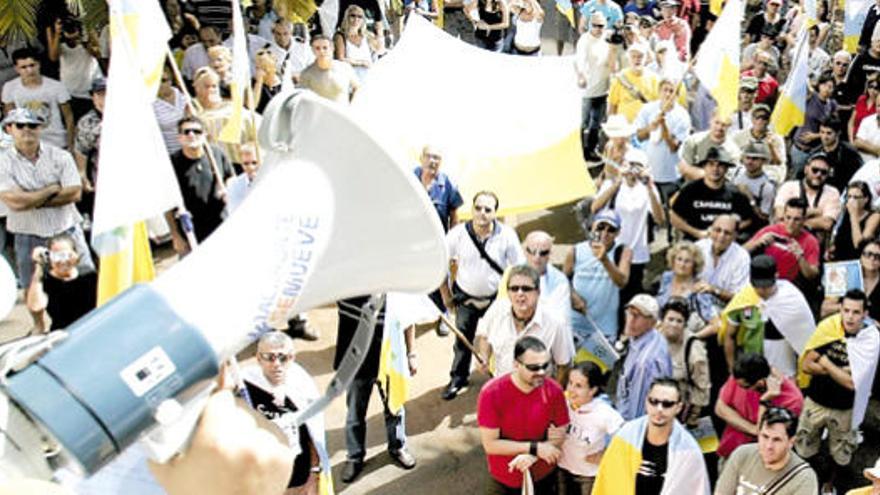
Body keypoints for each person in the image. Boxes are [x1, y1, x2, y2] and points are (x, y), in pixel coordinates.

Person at [440, 191, 524, 400]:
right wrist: (446, 296)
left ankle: (498, 380)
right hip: (465, 298)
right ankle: (458, 378)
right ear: (472, 209)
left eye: (488, 209)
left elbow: (519, 268)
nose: (482, 213)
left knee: (498, 340)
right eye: (478, 208)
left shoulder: (507, 236)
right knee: (462, 341)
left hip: (496, 300)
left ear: (495, 213)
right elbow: (440, 263)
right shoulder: (457, 234)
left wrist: (513, 299)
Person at [0, 108, 94, 292]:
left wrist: (30, 199)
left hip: (67, 229)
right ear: (9, 129)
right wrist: (51, 189)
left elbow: (74, 193)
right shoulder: (2, 163)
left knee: (86, 280)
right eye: (20, 125)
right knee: (34, 289)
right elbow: (15, 202)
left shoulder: (60, 156)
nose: (27, 129)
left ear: (40, 128)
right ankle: (39, 323)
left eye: (33, 125)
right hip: (27, 234)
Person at [797, 289, 880, 494]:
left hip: (845, 408)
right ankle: (806, 481)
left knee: (841, 454)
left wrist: (825, 362)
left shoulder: (870, 339)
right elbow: (807, 365)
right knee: (805, 445)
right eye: (846, 310)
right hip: (816, 401)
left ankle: (830, 485)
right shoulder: (829, 328)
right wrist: (839, 370)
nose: (849, 317)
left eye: (855, 312)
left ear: (865, 314)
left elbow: (853, 383)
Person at [335, 295, 418, 483]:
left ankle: (398, 446)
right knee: (355, 413)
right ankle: (354, 457)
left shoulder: (395, 290)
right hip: (356, 363)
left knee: (395, 407)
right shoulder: (346, 288)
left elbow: (408, 320)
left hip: (389, 360)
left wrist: (411, 353)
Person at [477, 336, 569, 494]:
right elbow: (491, 444)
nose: (541, 372)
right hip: (504, 478)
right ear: (516, 365)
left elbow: (560, 433)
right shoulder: (491, 393)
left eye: (545, 366)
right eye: (533, 367)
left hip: (543, 476)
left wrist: (533, 456)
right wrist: (535, 449)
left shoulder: (554, 390)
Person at [240, 331, 328, 494]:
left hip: (297, 473)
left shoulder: (302, 387)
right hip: (262, 473)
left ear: (292, 357)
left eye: (283, 357)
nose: (277, 364)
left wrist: (313, 472)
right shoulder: (244, 385)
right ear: (258, 358)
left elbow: (313, 434)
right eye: (270, 357)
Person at [593, 378, 711, 494]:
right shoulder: (625, 437)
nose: (659, 409)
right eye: (653, 401)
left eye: (667, 404)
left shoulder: (689, 451)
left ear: (678, 407)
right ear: (646, 401)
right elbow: (606, 484)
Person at [590, 148, 665, 306]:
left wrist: (650, 187)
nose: (633, 170)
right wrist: (617, 182)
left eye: (638, 166)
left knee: (630, 295)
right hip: (610, 249)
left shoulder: (647, 188)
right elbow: (595, 207)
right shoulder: (612, 184)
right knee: (607, 292)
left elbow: (659, 219)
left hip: (637, 251)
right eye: (630, 165)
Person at [719, 255, 815, 377]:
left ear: (776, 276)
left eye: (766, 286)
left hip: (785, 369)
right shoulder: (743, 300)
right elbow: (729, 336)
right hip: (753, 369)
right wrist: (732, 370)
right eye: (757, 286)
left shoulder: (791, 298)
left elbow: (805, 336)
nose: (762, 290)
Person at [475, 264, 574, 377]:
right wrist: (484, 356)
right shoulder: (496, 310)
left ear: (538, 292)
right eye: (514, 288)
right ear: (508, 292)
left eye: (526, 289)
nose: (520, 293)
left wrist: (552, 393)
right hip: (502, 388)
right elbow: (485, 336)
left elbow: (564, 365)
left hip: (537, 390)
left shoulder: (556, 322)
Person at [164, 116, 236, 255]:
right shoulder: (172, 164)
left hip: (222, 225)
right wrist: (176, 236)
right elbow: (167, 204)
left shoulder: (217, 154)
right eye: (186, 132)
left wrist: (228, 191)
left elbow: (231, 179)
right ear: (179, 137)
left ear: (204, 135)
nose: (191, 135)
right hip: (191, 233)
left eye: (196, 131)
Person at [714, 353, 804, 462]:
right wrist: (752, 429)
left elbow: (766, 433)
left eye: (745, 387)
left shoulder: (792, 400)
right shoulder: (741, 376)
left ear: (760, 382)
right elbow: (720, 408)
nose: (740, 388)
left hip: (761, 460)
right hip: (731, 451)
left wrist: (764, 402)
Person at [715, 406, 818, 494]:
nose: (769, 446)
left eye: (777, 440)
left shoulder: (804, 478)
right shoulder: (742, 454)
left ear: (791, 442)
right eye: (765, 436)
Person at [565, 210, 632, 344]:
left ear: (618, 232)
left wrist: (605, 260)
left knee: (601, 365)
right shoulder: (576, 250)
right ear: (593, 227)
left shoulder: (623, 251)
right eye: (600, 228)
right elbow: (562, 280)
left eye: (611, 230)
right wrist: (573, 296)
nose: (604, 234)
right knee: (572, 364)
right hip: (575, 324)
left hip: (605, 329)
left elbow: (622, 282)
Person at [558, 361, 624, 495]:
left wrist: (606, 455)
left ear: (592, 390)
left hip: (588, 477)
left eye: (579, 386)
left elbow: (628, 437)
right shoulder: (562, 402)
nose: (571, 390)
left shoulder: (604, 412)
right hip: (562, 470)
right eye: (570, 383)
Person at [669, 147, 752, 241]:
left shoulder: (735, 193)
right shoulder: (690, 190)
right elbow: (674, 216)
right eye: (711, 164)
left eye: (720, 165)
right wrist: (697, 233)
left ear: (726, 169)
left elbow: (748, 220)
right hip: (695, 241)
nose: (715, 169)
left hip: (724, 242)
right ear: (704, 167)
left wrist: (726, 231)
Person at [633, 77, 691, 207]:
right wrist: (651, 127)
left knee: (670, 212)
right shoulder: (647, 109)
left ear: (677, 95)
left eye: (672, 91)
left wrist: (663, 126)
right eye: (665, 90)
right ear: (659, 91)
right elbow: (639, 136)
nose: (668, 94)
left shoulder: (682, 116)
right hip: (648, 174)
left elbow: (673, 147)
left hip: (671, 176)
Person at [2, 47, 75, 150]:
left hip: (56, 143)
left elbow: (69, 117)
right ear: (16, 69)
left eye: (32, 65)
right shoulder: (9, 87)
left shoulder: (57, 86)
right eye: (24, 67)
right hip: (27, 144)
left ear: (39, 64)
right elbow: (10, 119)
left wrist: (71, 145)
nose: (29, 70)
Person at [614, 294, 672, 420]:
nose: (631, 320)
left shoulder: (645, 362)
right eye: (629, 313)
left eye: (637, 316)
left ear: (652, 322)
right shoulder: (648, 337)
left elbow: (638, 411)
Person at [25, 233, 97, 333]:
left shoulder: (89, 276)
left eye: (67, 255)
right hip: (62, 334)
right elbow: (36, 307)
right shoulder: (46, 281)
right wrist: (39, 267)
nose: (63, 261)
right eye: (57, 256)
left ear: (75, 255)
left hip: (90, 330)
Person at [574, 12, 618, 162]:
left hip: (603, 88)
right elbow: (579, 60)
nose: (599, 29)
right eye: (595, 26)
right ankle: (577, 152)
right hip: (587, 90)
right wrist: (581, 75)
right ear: (589, 25)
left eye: (602, 26)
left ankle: (590, 149)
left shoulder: (608, 38)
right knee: (582, 122)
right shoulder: (584, 40)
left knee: (596, 123)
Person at [658, 298, 709, 426]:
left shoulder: (694, 349)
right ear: (662, 321)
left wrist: (693, 417)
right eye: (670, 319)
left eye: (679, 321)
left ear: (685, 324)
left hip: (680, 408)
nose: (674, 324)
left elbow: (702, 387)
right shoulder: (652, 339)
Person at [772, 153, 841, 248]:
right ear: (806, 169)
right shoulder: (789, 186)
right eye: (815, 170)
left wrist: (793, 220)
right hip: (785, 242)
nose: (818, 175)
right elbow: (780, 215)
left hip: (815, 246)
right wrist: (816, 212)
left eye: (823, 172)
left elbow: (827, 224)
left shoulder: (832, 192)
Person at [745, 198, 820, 283]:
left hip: (791, 285)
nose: (791, 223)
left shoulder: (811, 241)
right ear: (783, 216)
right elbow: (742, 251)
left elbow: (812, 275)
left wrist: (800, 257)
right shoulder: (770, 230)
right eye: (788, 218)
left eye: (796, 219)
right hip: (765, 280)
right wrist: (758, 242)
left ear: (803, 220)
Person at [45, 18, 103, 122]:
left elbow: (97, 53)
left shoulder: (86, 35)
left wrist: (84, 40)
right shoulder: (60, 41)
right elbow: (53, 56)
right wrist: (57, 34)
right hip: (71, 92)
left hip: (92, 88)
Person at [792, 73, 839, 176]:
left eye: (830, 87)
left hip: (817, 149)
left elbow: (834, 128)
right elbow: (803, 82)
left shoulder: (832, 105)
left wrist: (816, 136)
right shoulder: (811, 97)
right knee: (796, 176)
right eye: (824, 85)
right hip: (800, 147)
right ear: (819, 85)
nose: (827, 89)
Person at [731, 103, 787, 184]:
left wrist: (771, 146)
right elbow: (734, 159)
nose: (760, 120)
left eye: (764, 118)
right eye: (757, 117)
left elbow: (779, 163)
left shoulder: (777, 138)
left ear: (768, 121)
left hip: (768, 171)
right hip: (745, 170)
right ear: (752, 119)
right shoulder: (739, 137)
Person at [677, 111, 740, 182]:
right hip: (692, 188)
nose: (719, 127)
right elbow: (683, 168)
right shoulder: (693, 141)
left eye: (724, 125)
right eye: (717, 122)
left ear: (729, 126)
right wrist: (712, 175)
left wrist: (696, 172)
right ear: (710, 121)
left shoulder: (733, 150)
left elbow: (727, 179)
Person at [414, 145, 463, 232]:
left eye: (436, 158)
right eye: (428, 156)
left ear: (441, 162)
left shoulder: (449, 184)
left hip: (437, 238)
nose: (432, 161)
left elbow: (454, 219)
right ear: (421, 158)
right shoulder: (411, 178)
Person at [299, 35, 359, 105]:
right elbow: (303, 98)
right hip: (319, 114)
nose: (321, 51)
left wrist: (352, 105)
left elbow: (357, 88)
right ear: (312, 50)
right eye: (317, 48)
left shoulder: (345, 67)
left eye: (325, 48)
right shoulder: (306, 73)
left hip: (342, 113)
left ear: (332, 48)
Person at [731, 142, 775, 236]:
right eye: (747, 158)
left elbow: (763, 218)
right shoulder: (737, 173)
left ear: (763, 161)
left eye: (754, 159)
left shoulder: (766, 186)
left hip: (752, 229)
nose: (749, 162)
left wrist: (750, 197)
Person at [607, 43, 658, 123]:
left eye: (640, 56)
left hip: (645, 128)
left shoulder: (654, 78)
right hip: (624, 128)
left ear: (645, 59)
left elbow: (657, 105)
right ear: (629, 59)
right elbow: (612, 106)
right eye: (633, 56)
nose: (637, 59)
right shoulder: (619, 79)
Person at [830, 181, 880, 262]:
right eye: (849, 197)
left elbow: (859, 245)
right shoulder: (845, 213)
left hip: (859, 261)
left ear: (866, 199)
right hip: (840, 260)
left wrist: (853, 215)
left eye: (855, 197)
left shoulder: (874, 216)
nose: (851, 201)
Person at [814, 115, 863, 193]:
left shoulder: (850, 154)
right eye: (822, 132)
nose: (824, 137)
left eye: (828, 133)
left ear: (838, 133)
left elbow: (857, 179)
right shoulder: (815, 153)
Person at [334, 5, 380, 81]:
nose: (356, 19)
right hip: (350, 80)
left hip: (368, 78)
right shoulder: (340, 36)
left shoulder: (368, 36)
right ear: (347, 17)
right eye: (352, 16)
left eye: (360, 17)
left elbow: (378, 53)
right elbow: (340, 59)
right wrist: (361, 62)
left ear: (363, 20)